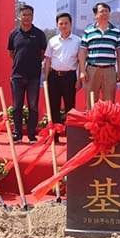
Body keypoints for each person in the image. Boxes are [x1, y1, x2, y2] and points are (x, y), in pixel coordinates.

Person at [7, 4, 47, 143]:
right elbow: (11, 53)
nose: (27, 17)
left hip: (33, 77)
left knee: (33, 106)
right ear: (19, 16)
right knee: (16, 107)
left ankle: (31, 135)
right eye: (24, 15)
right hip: (17, 76)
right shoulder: (14, 34)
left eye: (29, 15)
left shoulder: (39, 34)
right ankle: (17, 134)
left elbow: (42, 53)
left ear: (33, 16)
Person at [44, 12, 81, 143]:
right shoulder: (52, 41)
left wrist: (79, 80)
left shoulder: (77, 41)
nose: (63, 25)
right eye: (61, 23)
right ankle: (54, 136)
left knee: (70, 107)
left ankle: (71, 136)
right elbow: (48, 61)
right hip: (54, 77)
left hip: (70, 77)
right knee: (54, 106)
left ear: (70, 24)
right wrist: (46, 79)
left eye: (66, 23)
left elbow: (81, 62)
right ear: (57, 25)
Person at [78, 2, 120, 108]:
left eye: (107, 11)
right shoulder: (88, 31)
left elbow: (119, 53)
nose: (104, 14)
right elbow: (83, 52)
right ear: (95, 15)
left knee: (109, 104)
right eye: (102, 11)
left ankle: (108, 120)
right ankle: (91, 119)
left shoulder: (116, 31)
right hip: (92, 70)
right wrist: (83, 71)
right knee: (91, 103)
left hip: (110, 70)